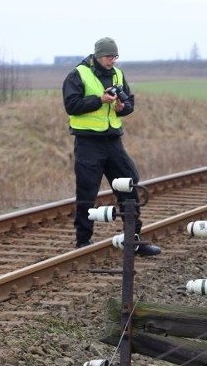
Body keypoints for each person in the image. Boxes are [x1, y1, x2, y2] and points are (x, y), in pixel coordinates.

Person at [62, 37, 161, 256]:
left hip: (113, 141)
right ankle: (82, 243)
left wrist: (120, 106)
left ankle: (133, 239)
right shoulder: (78, 74)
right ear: (98, 56)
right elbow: (72, 105)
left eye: (115, 57)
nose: (112, 61)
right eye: (109, 57)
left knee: (129, 184)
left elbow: (129, 105)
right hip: (88, 142)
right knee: (87, 191)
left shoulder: (118, 74)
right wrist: (100, 100)